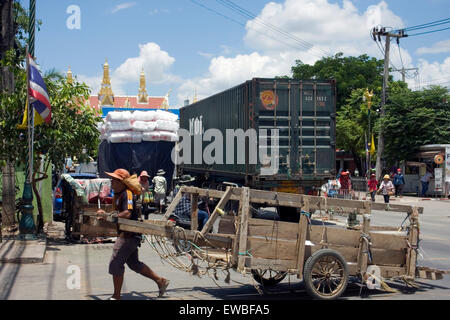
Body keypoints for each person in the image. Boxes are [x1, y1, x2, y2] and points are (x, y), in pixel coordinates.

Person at [96, 169, 169, 300]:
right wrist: (106, 214)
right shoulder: (118, 195)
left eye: (114, 180)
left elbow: (127, 213)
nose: (112, 182)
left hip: (129, 235)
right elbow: (117, 213)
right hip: (127, 234)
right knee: (134, 263)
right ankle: (160, 281)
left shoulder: (127, 194)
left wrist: (107, 216)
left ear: (121, 182)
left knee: (116, 263)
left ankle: (116, 296)